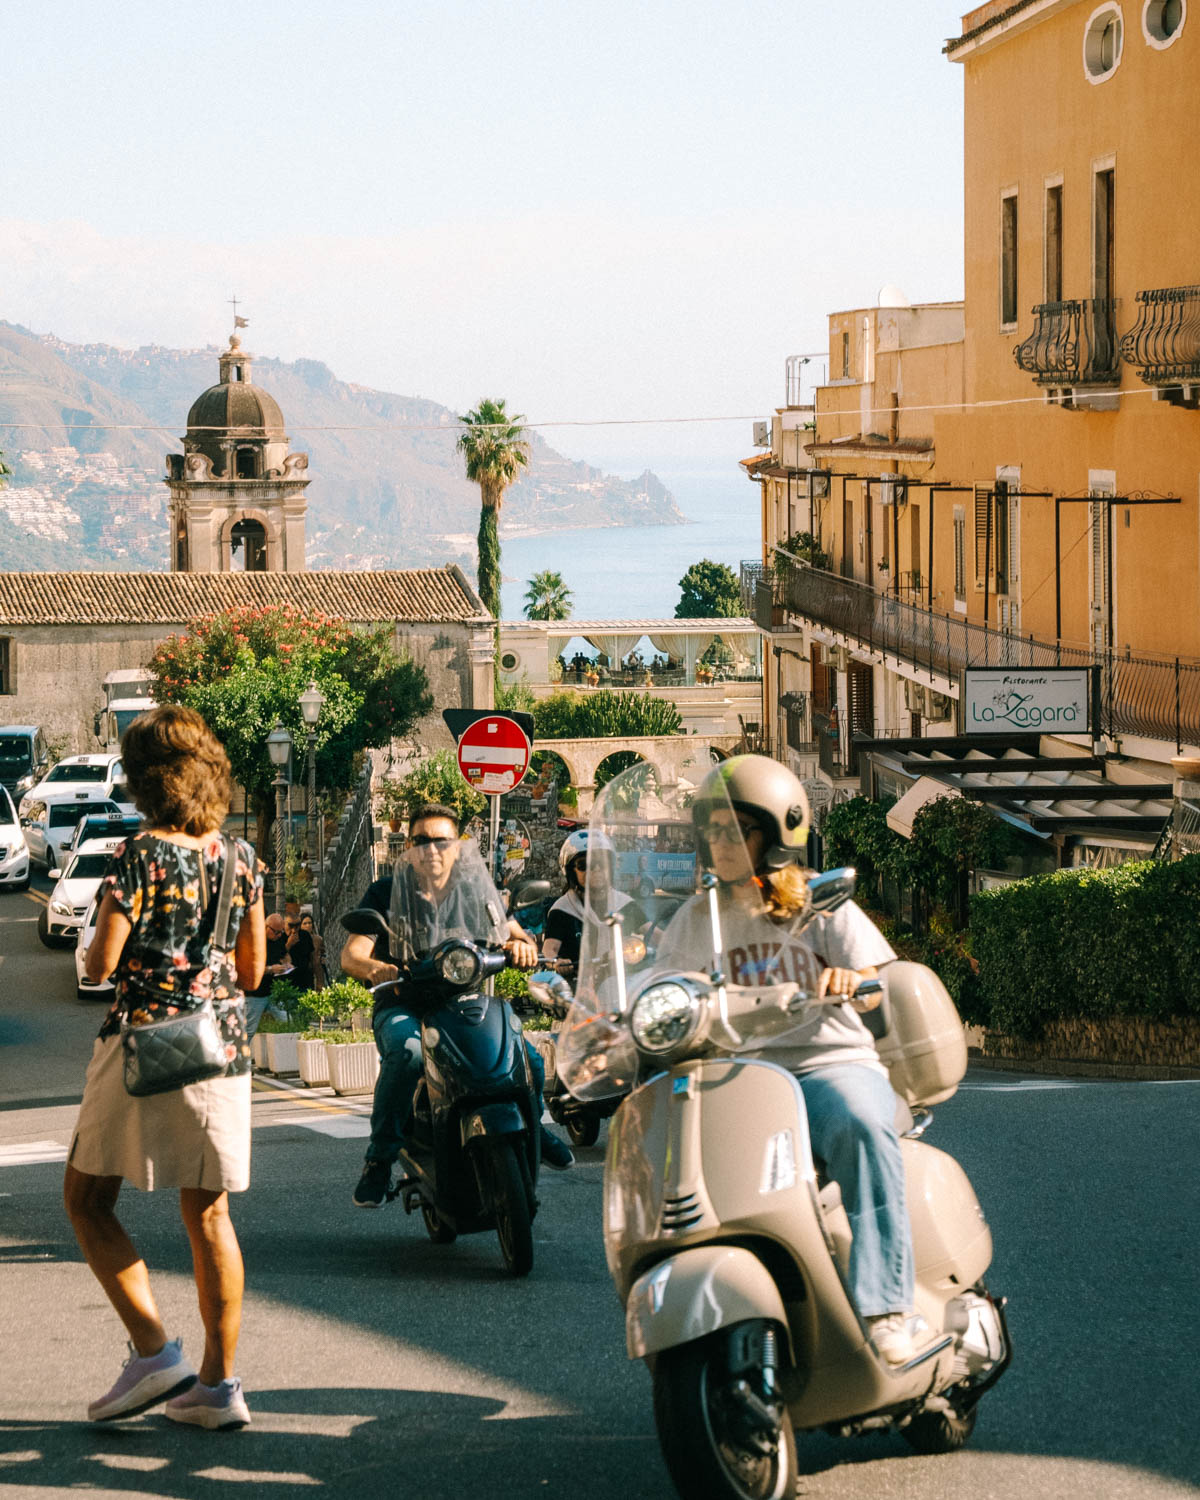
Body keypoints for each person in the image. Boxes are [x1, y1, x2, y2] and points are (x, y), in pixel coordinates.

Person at [653, 755, 916, 1366]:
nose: (719, 843)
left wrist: (854, 977)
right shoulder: (694, 920)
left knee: (859, 1124)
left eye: (734, 830)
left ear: (773, 835)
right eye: (711, 831)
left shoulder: (817, 903)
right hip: (737, 1074)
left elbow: (876, 971)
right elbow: (663, 992)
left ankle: (887, 1307)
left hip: (828, 1062)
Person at [64, 705, 266, 1429]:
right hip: (224, 1047)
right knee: (209, 1210)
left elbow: (100, 962)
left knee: (87, 1199)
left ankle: (153, 1350)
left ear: (147, 780)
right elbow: (252, 968)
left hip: (145, 1041)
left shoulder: (137, 855)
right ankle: (215, 1387)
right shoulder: (240, 858)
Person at [341, 803, 574, 1209]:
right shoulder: (386, 892)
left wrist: (521, 946)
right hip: (405, 1004)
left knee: (525, 1056)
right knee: (409, 1053)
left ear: (456, 846)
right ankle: (379, 1159)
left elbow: (514, 933)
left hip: (466, 1002)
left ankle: (536, 1128)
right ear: (409, 847)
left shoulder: (473, 891)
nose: (431, 849)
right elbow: (352, 954)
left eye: (441, 841)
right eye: (421, 841)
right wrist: (376, 968)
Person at [542, 830, 647, 974]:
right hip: (576, 985)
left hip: (620, 984)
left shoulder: (623, 903)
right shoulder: (562, 909)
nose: (596, 869)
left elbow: (653, 932)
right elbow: (550, 947)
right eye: (584, 864)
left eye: (602, 863)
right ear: (571, 871)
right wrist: (556, 962)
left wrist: (678, 944)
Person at [244, 911, 290, 1038]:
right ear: (266, 927)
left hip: (274, 991)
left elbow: (285, 954)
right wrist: (270, 969)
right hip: (255, 994)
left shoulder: (279, 939)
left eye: (281, 932)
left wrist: (287, 963)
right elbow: (249, 969)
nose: (279, 935)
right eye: (276, 932)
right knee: (249, 1029)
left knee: (286, 1021)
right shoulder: (253, 940)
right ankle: (240, 1056)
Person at [286, 913, 316, 992]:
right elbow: (279, 956)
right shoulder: (281, 936)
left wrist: (318, 979)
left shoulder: (305, 935)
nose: (294, 929)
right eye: (291, 926)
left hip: (305, 981)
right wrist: (289, 944)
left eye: (297, 926)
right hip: (288, 982)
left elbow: (312, 957)